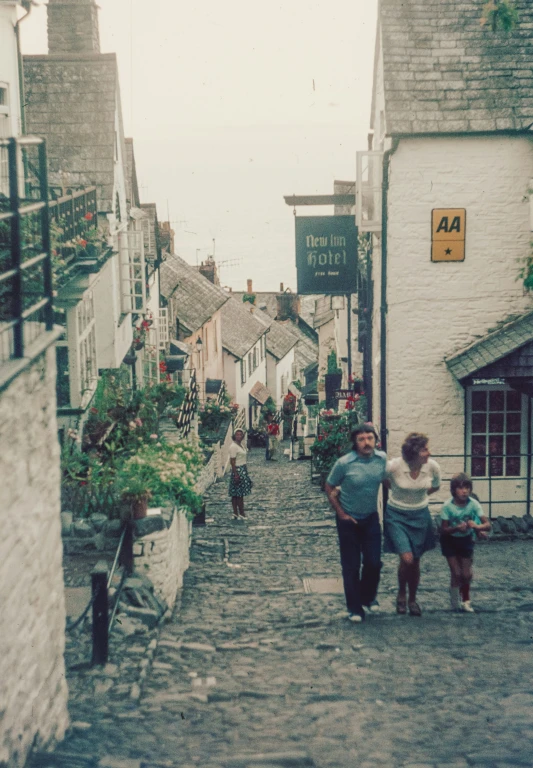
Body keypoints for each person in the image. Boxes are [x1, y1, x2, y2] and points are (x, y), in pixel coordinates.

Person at [325, 423, 387, 623]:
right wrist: (341, 513)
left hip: (370, 518)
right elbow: (329, 486)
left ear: (375, 440)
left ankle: (368, 597)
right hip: (349, 519)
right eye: (361, 439)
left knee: (374, 562)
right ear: (355, 442)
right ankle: (354, 608)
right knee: (351, 565)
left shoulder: (382, 460)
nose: (366, 442)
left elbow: (389, 481)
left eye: (370, 438)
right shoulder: (344, 463)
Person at [384, 432, 441, 617]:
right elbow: (384, 481)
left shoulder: (432, 467)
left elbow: (436, 486)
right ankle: (401, 593)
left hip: (420, 515)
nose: (429, 453)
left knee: (415, 561)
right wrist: (400, 495)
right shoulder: (394, 466)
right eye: (425, 449)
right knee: (406, 558)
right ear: (414, 452)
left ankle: (412, 599)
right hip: (396, 515)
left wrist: (418, 498)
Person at [440, 472, 491, 613]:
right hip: (449, 540)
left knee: (466, 574)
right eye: (460, 488)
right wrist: (456, 527)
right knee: (456, 573)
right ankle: (455, 601)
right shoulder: (447, 506)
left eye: (467, 487)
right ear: (454, 490)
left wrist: (477, 527)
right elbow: (443, 529)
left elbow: (487, 524)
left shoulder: (473, 504)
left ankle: (466, 600)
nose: (464, 491)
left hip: (466, 539)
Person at [228, 429, 252, 519]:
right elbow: (232, 461)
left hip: (243, 469)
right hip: (237, 470)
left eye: (240, 434)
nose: (239, 436)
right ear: (234, 436)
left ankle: (236, 513)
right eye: (237, 434)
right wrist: (236, 474)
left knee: (237, 493)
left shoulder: (241, 445)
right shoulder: (233, 446)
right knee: (238, 494)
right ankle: (240, 513)